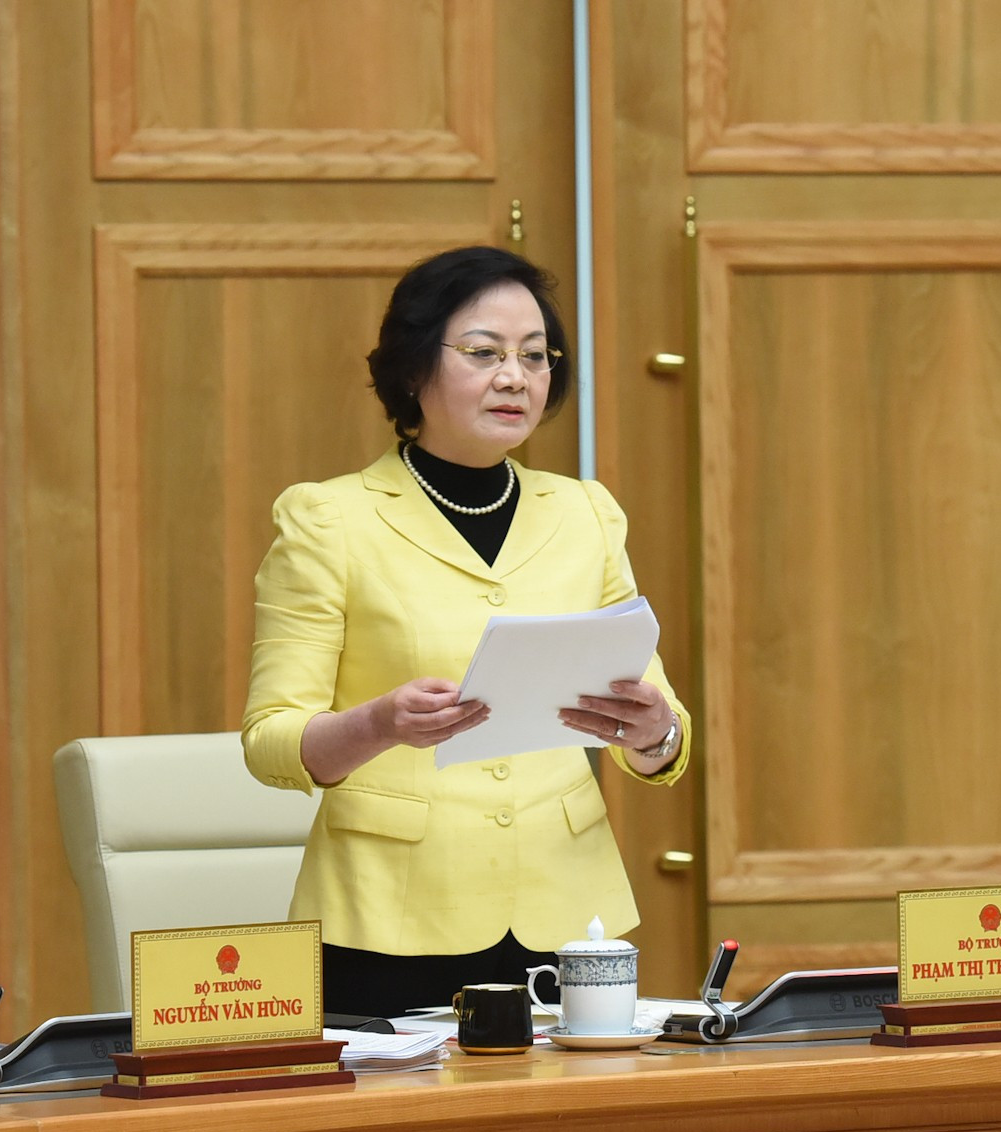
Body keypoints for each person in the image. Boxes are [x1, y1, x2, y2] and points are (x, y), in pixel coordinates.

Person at [241, 247, 691, 1018]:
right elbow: (270, 740)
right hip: (387, 922)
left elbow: (662, 731)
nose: (515, 376)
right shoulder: (329, 520)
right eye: (483, 353)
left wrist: (656, 734)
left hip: (568, 915)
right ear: (413, 370)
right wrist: (378, 723)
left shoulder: (587, 514)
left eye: (535, 356)